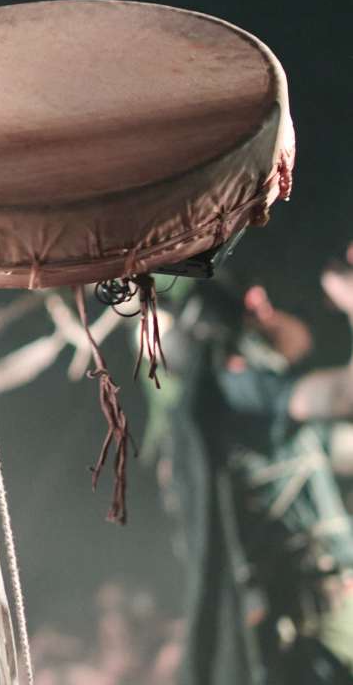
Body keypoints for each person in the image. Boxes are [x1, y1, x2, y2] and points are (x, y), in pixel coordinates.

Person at [153, 252, 353, 685]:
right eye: (252, 304)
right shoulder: (239, 387)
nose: (265, 305)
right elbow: (342, 395)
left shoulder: (237, 410)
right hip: (327, 627)